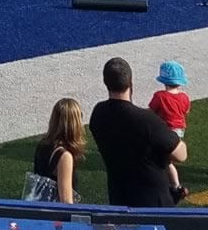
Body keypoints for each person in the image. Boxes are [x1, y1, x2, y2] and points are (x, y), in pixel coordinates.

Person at [88, 58, 184, 208]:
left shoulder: (98, 114)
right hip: (155, 203)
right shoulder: (147, 120)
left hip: (120, 200)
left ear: (105, 82)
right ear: (130, 82)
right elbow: (181, 154)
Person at [25, 97, 87, 203]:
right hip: (54, 215)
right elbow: (66, 200)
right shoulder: (64, 156)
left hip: (38, 205)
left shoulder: (43, 144)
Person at [148, 61, 192, 197]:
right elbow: (186, 111)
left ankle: (176, 185)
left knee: (165, 161)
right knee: (166, 158)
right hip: (179, 130)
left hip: (165, 130)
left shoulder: (160, 96)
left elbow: (151, 111)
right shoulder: (184, 97)